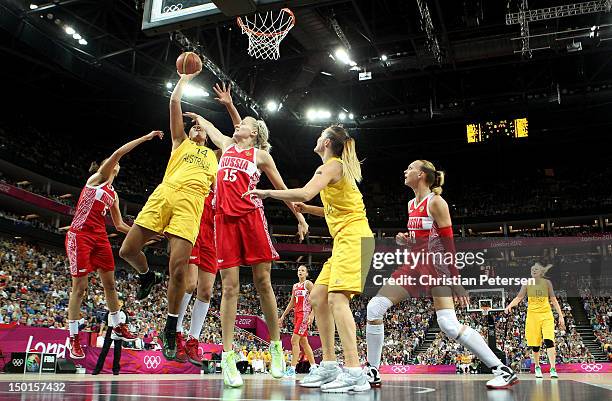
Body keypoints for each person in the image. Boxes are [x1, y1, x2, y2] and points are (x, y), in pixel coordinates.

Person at [184, 82, 308, 387]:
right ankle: (227, 357)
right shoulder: (226, 145)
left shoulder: (261, 156)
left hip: (252, 218)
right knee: (229, 289)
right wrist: (197, 113)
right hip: (224, 221)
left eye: (244, 123)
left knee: (263, 282)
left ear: (253, 133)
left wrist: (300, 217)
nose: (238, 124)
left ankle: (276, 347)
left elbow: (282, 189)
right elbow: (213, 126)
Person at [363, 160, 518, 389]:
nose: (405, 171)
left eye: (410, 168)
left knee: (448, 323)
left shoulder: (436, 202)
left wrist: (456, 281)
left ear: (422, 175)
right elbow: (421, 237)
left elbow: (448, 243)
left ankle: (501, 369)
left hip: (436, 267)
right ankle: (373, 371)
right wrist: (405, 240)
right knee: (374, 308)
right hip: (413, 265)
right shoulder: (410, 204)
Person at [245, 125, 375, 393]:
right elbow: (330, 209)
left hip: (355, 238)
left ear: (326, 142)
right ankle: (329, 365)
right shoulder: (334, 170)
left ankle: (354, 372)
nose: (316, 139)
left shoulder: (331, 166)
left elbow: (304, 192)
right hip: (344, 240)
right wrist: (308, 210)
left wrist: (268, 193)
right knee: (318, 297)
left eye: (320, 136)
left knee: (337, 298)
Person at [119, 69, 218, 360]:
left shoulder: (214, 157)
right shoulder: (180, 142)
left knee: (178, 270)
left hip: (192, 203)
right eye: (194, 127)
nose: (197, 129)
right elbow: (174, 102)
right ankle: (147, 276)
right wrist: (185, 78)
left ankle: (171, 325)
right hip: (164, 194)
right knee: (128, 249)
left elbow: (231, 142)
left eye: (201, 129)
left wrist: (208, 123)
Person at [66, 131, 163, 358]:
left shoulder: (113, 195)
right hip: (80, 235)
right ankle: (73, 337)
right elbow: (119, 152)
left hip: (99, 237)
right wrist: (145, 138)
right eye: (112, 163)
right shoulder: (97, 179)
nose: (116, 165)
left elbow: (119, 225)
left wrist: (146, 236)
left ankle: (118, 323)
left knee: (110, 285)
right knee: (80, 288)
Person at [175, 170, 220, 366]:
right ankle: (175, 332)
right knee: (190, 284)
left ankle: (193, 340)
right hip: (193, 234)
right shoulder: (198, 184)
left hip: (213, 241)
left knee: (206, 292)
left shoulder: (224, 194)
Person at [505, 263, 565, 378]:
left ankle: (553, 368)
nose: (533, 270)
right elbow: (519, 297)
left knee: (549, 340)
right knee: (535, 345)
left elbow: (553, 299)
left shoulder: (547, 283)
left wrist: (561, 315)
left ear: (541, 272)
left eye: (536, 269)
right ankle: (537, 367)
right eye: (532, 269)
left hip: (546, 315)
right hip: (532, 316)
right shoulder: (527, 283)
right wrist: (510, 306)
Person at [279, 265, 316, 377]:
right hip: (296, 314)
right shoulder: (295, 286)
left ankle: (292, 369)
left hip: (304, 314)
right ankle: (314, 367)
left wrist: (312, 314)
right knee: (304, 342)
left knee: (294, 341)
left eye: (303, 270)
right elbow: (292, 302)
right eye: (299, 270)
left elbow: (315, 299)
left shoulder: (308, 284)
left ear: (306, 273)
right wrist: (283, 316)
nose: (300, 272)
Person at [92, 309, 127, 375]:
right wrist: (101, 331)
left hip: (119, 330)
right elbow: (104, 322)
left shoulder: (124, 312)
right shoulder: (110, 311)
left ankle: (116, 370)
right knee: (104, 350)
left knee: (117, 351)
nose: (119, 304)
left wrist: (124, 334)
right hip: (110, 329)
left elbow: (126, 325)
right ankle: (97, 369)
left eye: (121, 302)